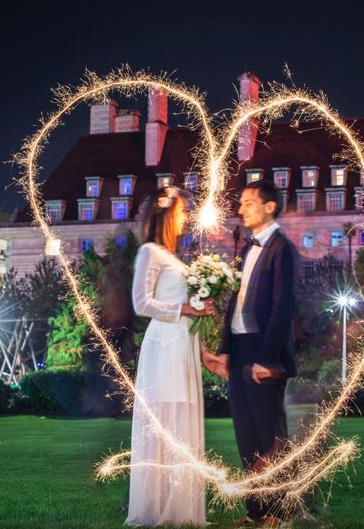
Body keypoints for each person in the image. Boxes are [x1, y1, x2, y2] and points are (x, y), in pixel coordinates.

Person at [126, 186, 223, 527]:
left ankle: (181, 506)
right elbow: (141, 303)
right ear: (167, 214)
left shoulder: (173, 258)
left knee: (182, 419)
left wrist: (201, 318)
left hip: (183, 346)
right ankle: (156, 505)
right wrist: (183, 307)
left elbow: (187, 310)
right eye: (182, 211)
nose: (185, 218)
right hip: (163, 345)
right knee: (165, 419)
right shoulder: (149, 253)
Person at [214, 179, 299, 526]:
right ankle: (255, 512)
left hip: (265, 353)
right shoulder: (246, 248)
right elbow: (234, 304)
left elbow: (283, 309)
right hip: (240, 348)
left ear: (270, 206)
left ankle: (277, 513)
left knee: (271, 437)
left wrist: (266, 358)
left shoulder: (283, 250)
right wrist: (224, 351)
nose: (241, 208)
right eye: (241, 202)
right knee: (246, 436)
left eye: (249, 202)